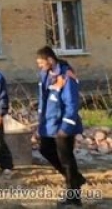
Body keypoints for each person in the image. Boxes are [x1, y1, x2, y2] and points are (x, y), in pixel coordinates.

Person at [36, 46, 86, 207]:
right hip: (48, 123)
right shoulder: (45, 74)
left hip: (62, 126)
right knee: (45, 149)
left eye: (42, 63)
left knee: (67, 160)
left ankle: (74, 198)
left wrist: (66, 127)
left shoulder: (66, 76)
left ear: (50, 60)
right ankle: (76, 178)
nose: (40, 66)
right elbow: (44, 99)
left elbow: (72, 104)